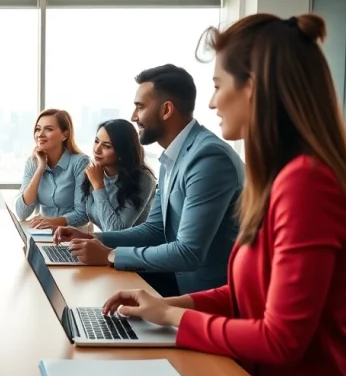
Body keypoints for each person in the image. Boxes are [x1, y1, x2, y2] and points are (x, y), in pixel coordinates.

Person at [102, 14, 346, 376]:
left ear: (254, 88)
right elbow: (246, 295)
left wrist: (171, 320)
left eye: (217, 84)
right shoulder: (281, 179)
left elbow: (281, 340)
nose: (211, 103)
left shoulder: (307, 184)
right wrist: (164, 305)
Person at [55, 65, 243, 297]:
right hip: (178, 282)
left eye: (140, 107)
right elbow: (155, 230)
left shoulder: (208, 157)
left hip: (207, 296)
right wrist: (93, 238)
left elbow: (188, 252)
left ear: (166, 110)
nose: (134, 117)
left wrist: (108, 255)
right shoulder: (172, 157)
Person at [15, 109, 90, 230]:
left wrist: (52, 222)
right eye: (38, 129)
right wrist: (40, 169)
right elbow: (21, 213)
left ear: (64, 135)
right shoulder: (33, 162)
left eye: (48, 129)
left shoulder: (80, 162)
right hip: (43, 233)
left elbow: (82, 214)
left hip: (73, 234)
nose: (40, 134)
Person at [82, 118, 157, 232]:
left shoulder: (143, 180)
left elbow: (115, 230)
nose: (97, 149)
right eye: (97, 141)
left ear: (123, 151)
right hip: (106, 247)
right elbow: (85, 213)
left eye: (107, 146)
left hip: (134, 248)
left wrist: (98, 186)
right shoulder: (94, 172)